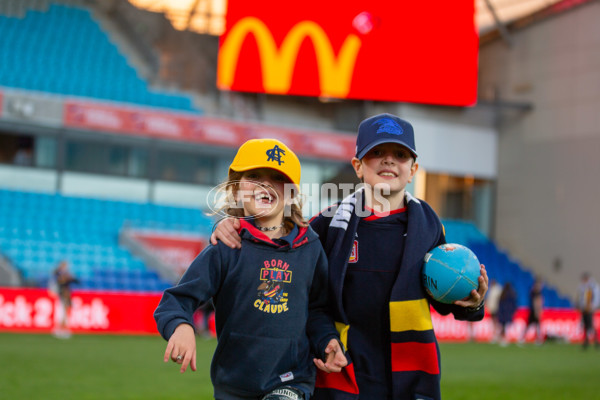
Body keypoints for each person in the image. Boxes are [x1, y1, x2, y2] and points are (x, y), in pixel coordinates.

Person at [211, 114, 488, 400]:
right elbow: (275, 237)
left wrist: (470, 305)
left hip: (410, 372)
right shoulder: (327, 225)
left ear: (413, 168)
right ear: (357, 166)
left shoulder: (429, 225)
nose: (389, 160)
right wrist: (234, 224)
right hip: (343, 368)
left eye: (400, 154)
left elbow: (440, 292)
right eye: (377, 152)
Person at [154, 138, 347, 400]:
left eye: (277, 178)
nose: (265, 184)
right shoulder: (225, 247)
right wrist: (181, 327)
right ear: (235, 189)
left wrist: (327, 340)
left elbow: (317, 309)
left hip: (292, 379)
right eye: (254, 175)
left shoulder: (310, 248)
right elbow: (175, 300)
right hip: (233, 385)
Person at [50, 260, 79, 338]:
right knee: (61, 312)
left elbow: (76, 281)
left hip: (66, 295)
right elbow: (59, 281)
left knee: (65, 312)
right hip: (61, 295)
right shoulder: (58, 273)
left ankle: (64, 328)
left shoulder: (67, 274)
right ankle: (60, 328)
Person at [576, 272, 600, 350]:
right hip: (584, 309)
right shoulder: (583, 287)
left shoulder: (593, 287)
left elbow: (596, 297)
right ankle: (587, 341)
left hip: (589, 309)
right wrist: (580, 306)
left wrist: (593, 306)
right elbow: (581, 298)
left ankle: (595, 341)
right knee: (586, 325)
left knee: (590, 325)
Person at [520, 278, 544, 344]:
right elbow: (536, 303)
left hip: (534, 311)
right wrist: (538, 311)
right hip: (534, 311)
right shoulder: (535, 292)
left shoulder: (536, 292)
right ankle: (523, 337)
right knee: (532, 325)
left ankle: (537, 338)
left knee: (537, 326)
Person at [497, 282, 518, 346]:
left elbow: (500, 305)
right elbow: (513, 305)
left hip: (503, 313)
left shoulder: (502, 294)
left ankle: (501, 338)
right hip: (508, 313)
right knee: (505, 326)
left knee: (503, 326)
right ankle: (503, 338)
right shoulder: (512, 294)